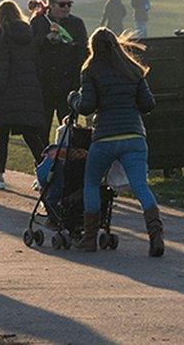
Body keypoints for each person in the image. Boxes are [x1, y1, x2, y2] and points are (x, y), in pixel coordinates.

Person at [69, 27, 163, 256]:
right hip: (134, 136)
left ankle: (89, 238)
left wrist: (74, 99)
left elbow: (87, 106)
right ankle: (156, 235)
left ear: (93, 48)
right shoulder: (133, 69)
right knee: (140, 185)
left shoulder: (90, 70)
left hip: (105, 137)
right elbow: (148, 104)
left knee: (91, 182)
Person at [0, 0, 48, 190]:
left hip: (9, 87)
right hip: (29, 88)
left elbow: (2, 67)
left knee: (2, 134)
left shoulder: (1, 34)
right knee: (29, 132)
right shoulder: (27, 33)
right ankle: (46, 170)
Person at [31, 0, 89, 140]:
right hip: (45, 86)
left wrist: (68, 45)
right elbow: (31, 50)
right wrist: (46, 39)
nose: (66, 8)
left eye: (69, 4)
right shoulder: (38, 22)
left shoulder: (77, 24)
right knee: (41, 132)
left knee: (69, 134)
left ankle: (67, 163)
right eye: (62, 4)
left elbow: (84, 52)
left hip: (68, 87)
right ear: (51, 5)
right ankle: (43, 162)